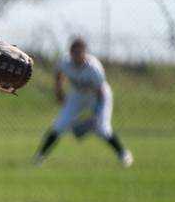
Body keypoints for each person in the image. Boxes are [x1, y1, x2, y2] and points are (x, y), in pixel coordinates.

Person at [34, 37, 133, 167]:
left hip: (98, 96)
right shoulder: (65, 62)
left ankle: (123, 154)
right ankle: (40, 156)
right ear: (70, 52)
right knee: (59, 124)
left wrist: (96, 114)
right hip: (77, 95)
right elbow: (59, 75)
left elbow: (100, 92)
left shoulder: (93, 68)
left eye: (80, 52)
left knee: (103, 128)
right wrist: (59, 93)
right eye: (74, 52)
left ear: (85, 52)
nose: (77, 55)